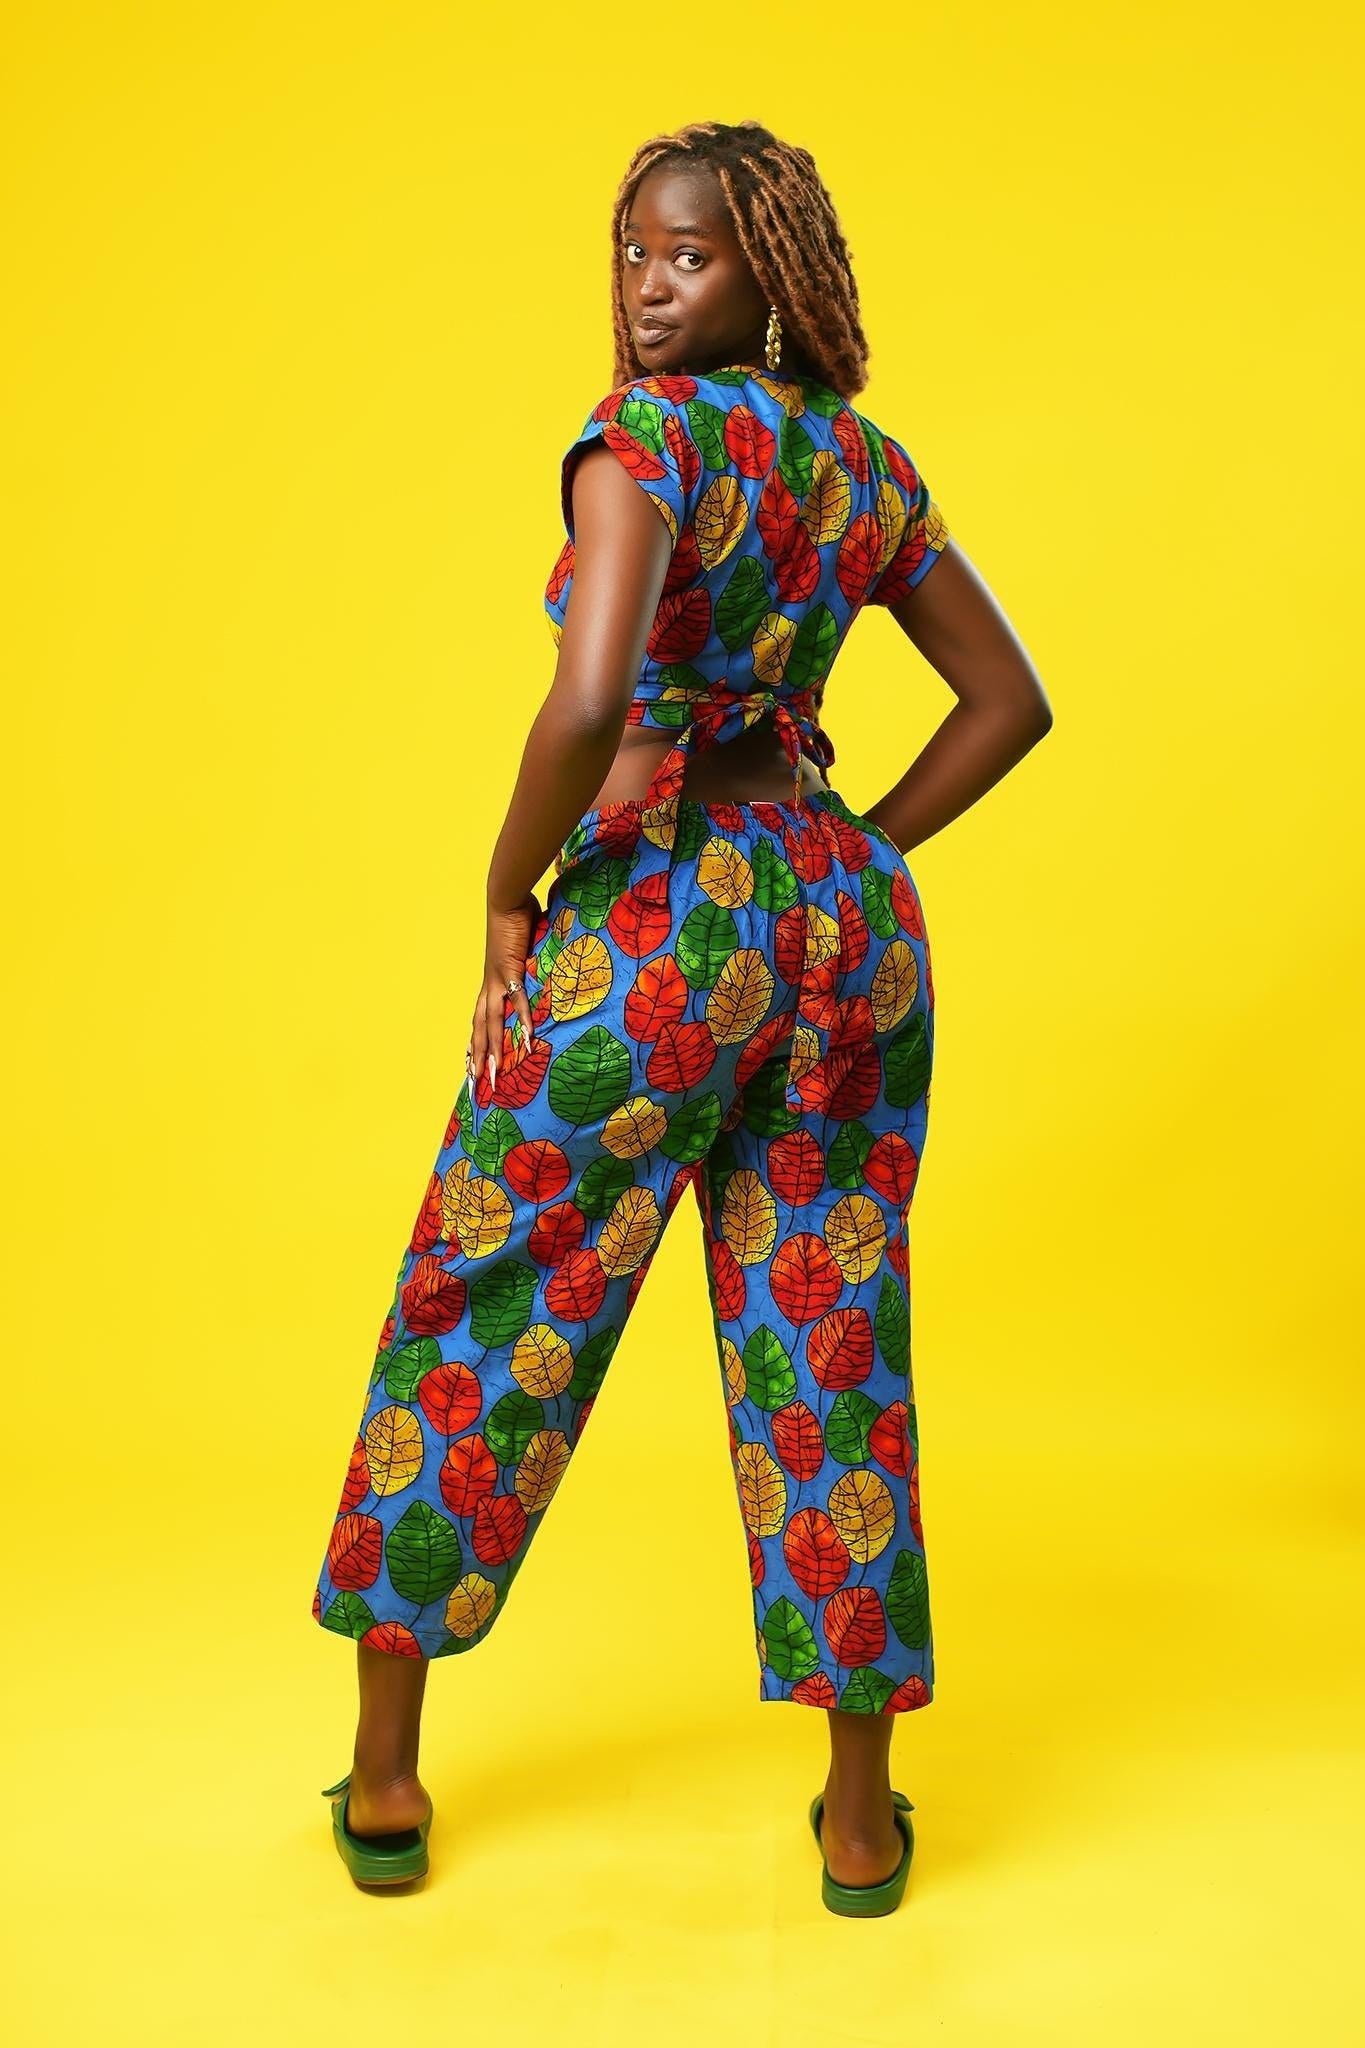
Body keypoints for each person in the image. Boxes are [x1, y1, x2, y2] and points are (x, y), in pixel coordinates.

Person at [310, 118, 1052, 1914]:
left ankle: (391, 1780)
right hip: (835, 930)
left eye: (689, 255)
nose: (649, 286)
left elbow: (585, 706)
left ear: (770, 273)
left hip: (654, 918)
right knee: (829, 1336)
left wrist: (508, 886)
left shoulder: (638, 446)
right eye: (634, 250)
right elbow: (1007, 701)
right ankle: (860, 1822)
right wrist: (853, 851)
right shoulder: (864, 469)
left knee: (487, 1298)